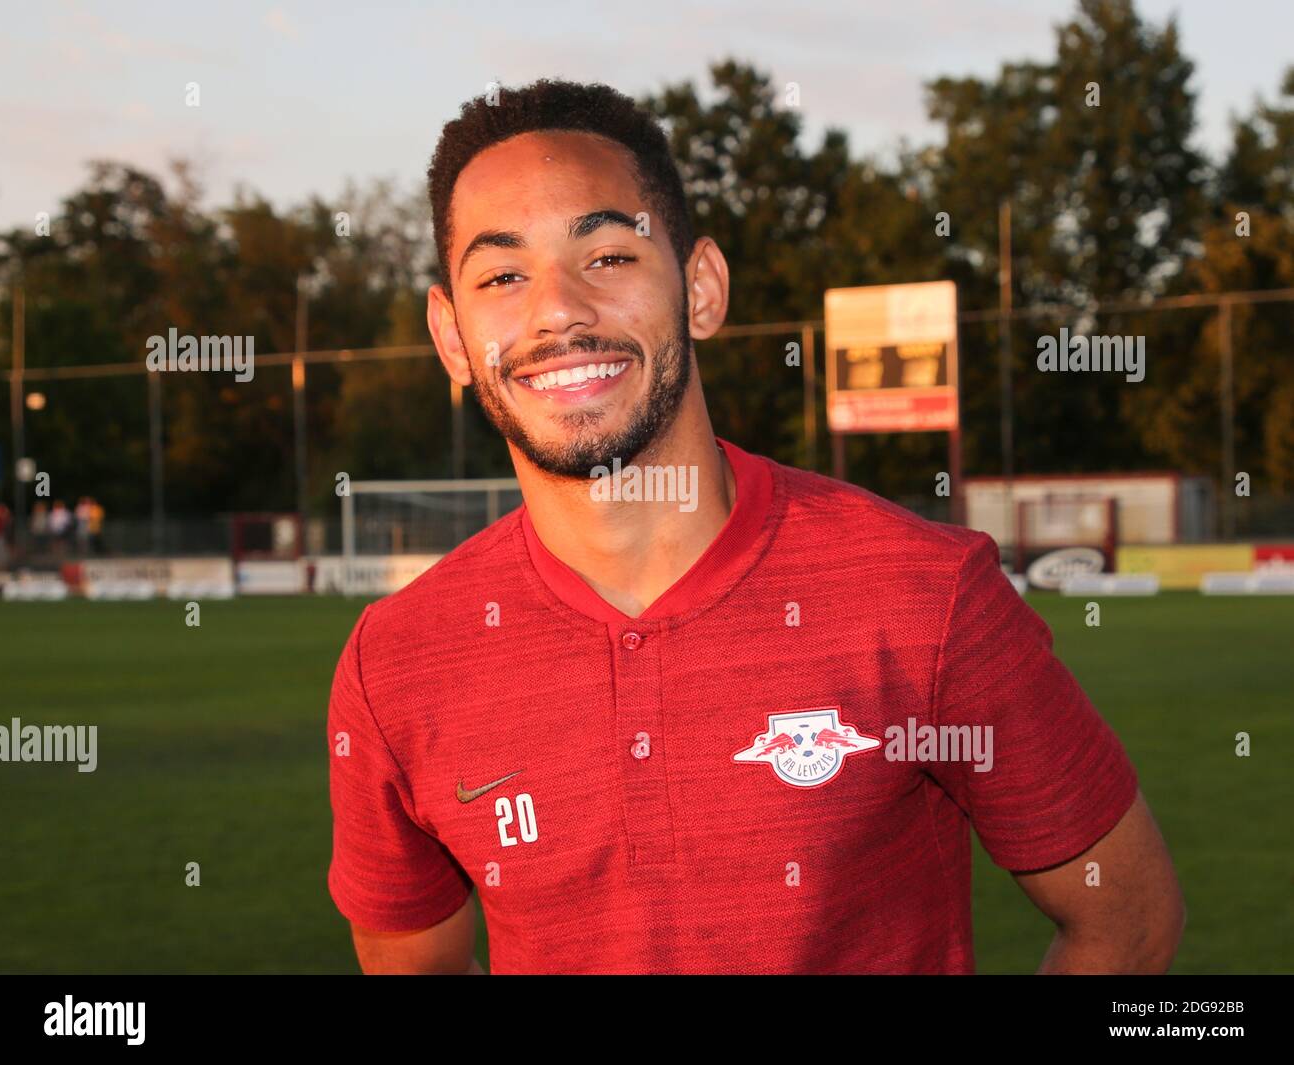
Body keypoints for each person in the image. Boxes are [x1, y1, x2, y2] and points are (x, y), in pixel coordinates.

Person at [326, 79, 1184, 976]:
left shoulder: (927, 595)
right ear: (453, 337)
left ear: (700, 287)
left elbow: (1128, 922)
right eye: (502, 276)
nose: (557, 311)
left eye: (611, 256)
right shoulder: (395, 663)